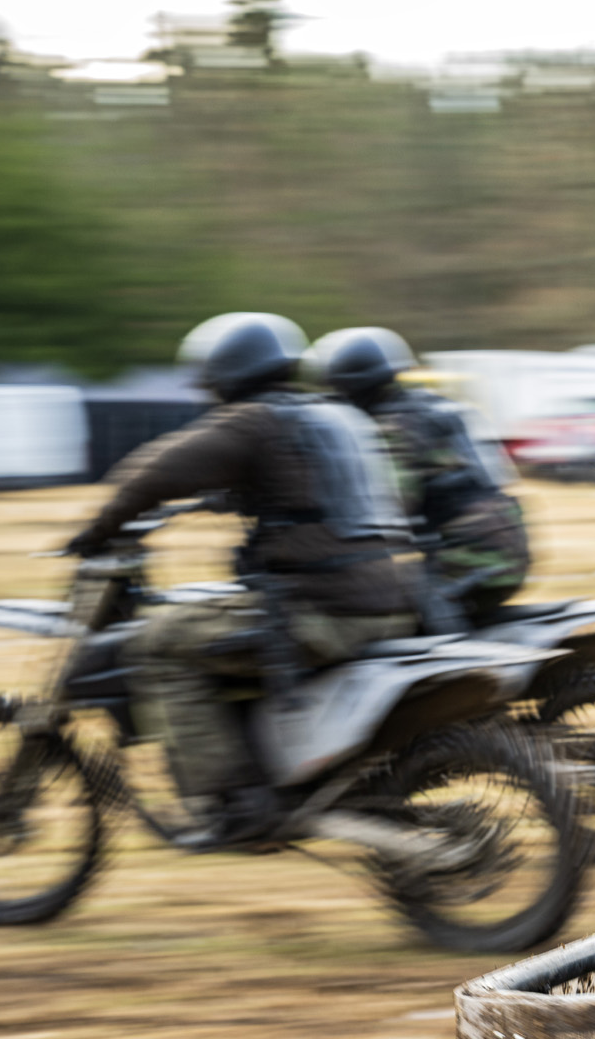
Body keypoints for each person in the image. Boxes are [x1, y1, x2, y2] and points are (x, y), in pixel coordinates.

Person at [66, 312, 419, 844]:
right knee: (215, 627)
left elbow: (156, 470)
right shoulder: (333, 416)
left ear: (225, 374)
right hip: (393, 603)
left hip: (323, 609)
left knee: (158, 642)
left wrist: (96, 531)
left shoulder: (252, 422)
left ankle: (234, 800)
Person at [305, 327, 529, 625]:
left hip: (468, 562)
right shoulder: (435, 407)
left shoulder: (395, 427)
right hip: (504, 551)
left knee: (363, 605)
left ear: (348, 384)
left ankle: (453, 663)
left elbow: (385, 509)